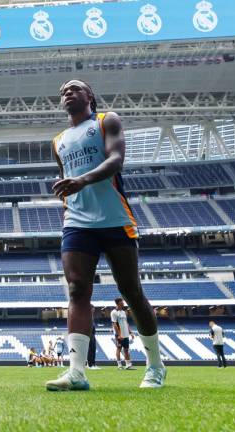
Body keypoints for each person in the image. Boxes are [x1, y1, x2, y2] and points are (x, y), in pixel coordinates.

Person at [45, 79, 166, 391]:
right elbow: (66, 179)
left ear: (89, 96)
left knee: (131, 291)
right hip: (77, 222)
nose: (67, 93)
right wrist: (71, 190)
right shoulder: (58, 141)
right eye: (63, 91)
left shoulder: (106, 121)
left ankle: (155, 365)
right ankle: (76, 372)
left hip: (114, 219)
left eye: (74, 88)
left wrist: (82, 180)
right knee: (77, 290)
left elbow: (116, 160)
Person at [111, 298, 135, 370]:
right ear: (118, 303)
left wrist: (130, 332)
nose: (123, 303)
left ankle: (128, 365)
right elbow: (114, 324)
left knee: (126, 349)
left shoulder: (123, 312)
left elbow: (126, 323)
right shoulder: (114, 312)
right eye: (122, 301)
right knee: (119, 348)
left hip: (126, 334)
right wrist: (119, 335)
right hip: (119, 335)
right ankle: (119, 365)